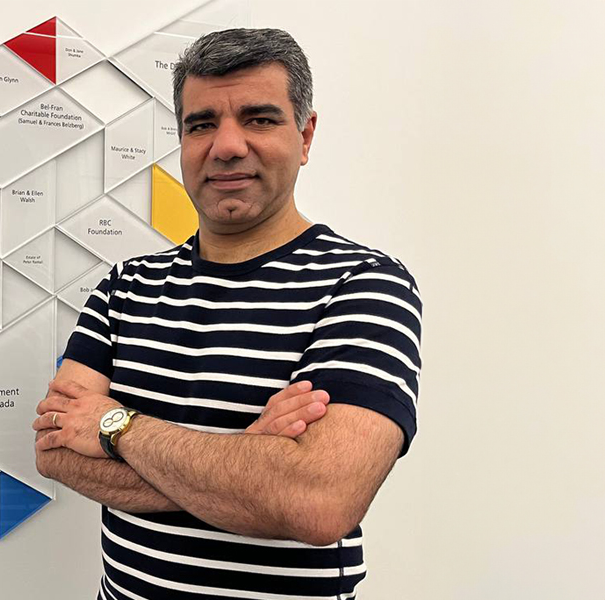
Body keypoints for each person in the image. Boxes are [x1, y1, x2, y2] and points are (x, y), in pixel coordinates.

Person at [34, 28, 422, 600]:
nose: (228, 145)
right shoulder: (126, 286)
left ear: (306, 134)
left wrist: (117, 427)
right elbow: (55, 452)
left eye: (260, 119)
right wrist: (254, 458)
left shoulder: (363, 285)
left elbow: (318, 503)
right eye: (201, 123)